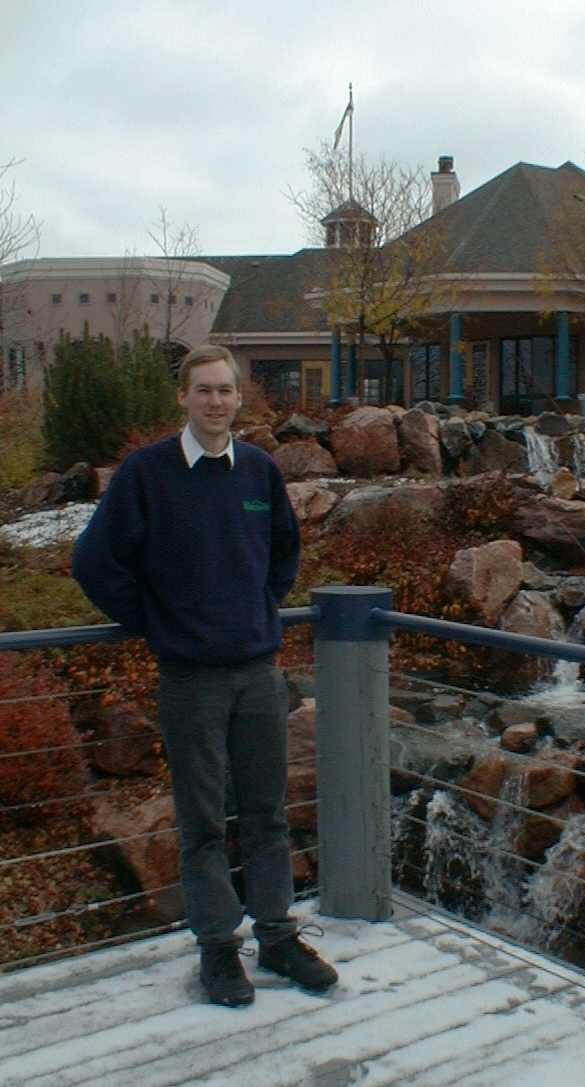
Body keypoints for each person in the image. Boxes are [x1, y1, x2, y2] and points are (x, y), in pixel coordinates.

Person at [72, 344, 337, 1007]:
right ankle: (218, 948)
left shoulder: (259, 471)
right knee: (203, 823)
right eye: (204, 390)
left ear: (239, 398)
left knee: (268, 814)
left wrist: (260, 606)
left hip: (258, 673)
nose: (216, 401)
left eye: (225, 390)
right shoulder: (146, 474)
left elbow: (284, 551)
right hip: (190, 678)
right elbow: (93, 562)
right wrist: (156, 620)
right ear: (183, 398)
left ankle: (276, 936)